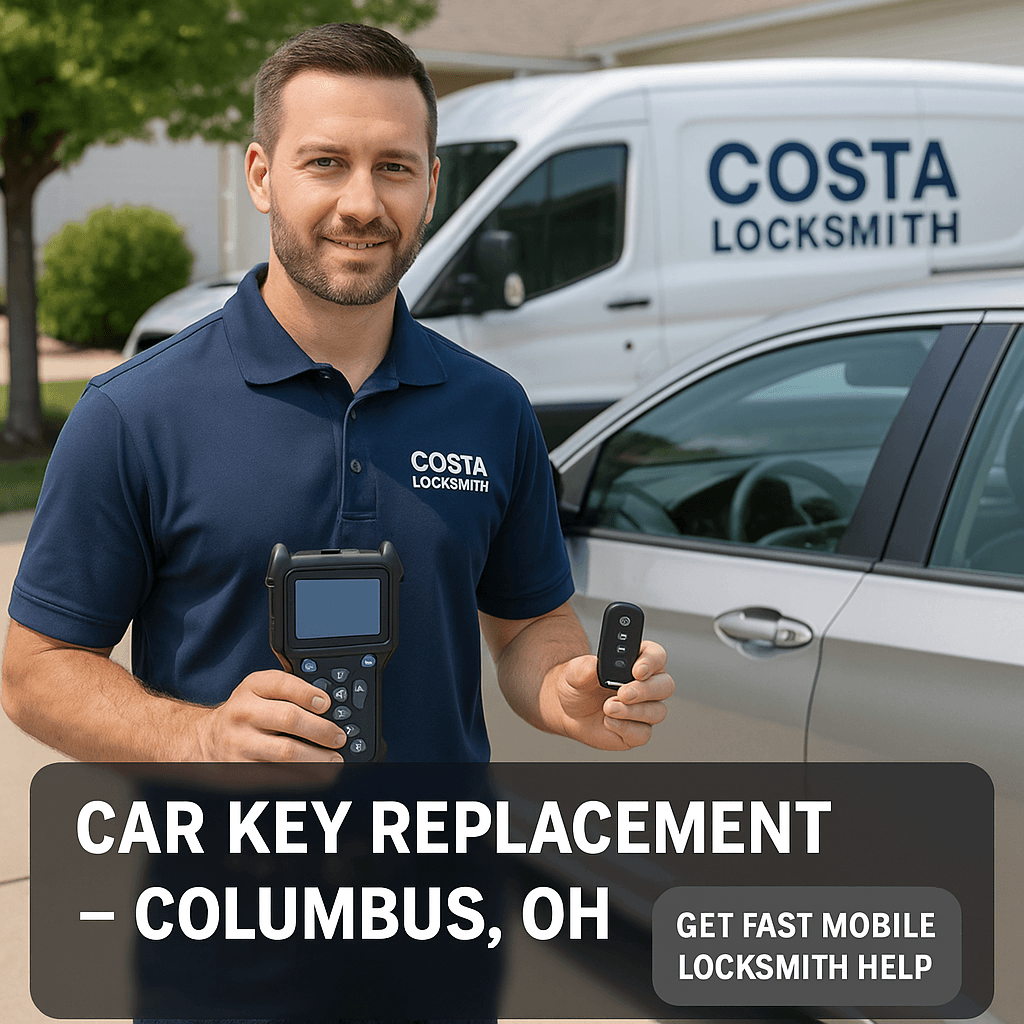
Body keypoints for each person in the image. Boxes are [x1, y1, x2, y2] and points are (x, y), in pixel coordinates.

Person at [1, 23, 673, 765]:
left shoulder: (493, 408)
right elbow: (37, 672)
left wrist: (561, 686)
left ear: (432, 187)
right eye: (325, 162)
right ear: (261, 175)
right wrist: (200, 737)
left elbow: (525, 628)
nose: (362, 203)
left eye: (394, 166)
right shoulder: (134, 415)